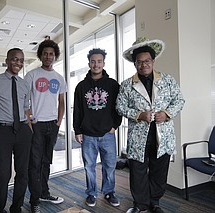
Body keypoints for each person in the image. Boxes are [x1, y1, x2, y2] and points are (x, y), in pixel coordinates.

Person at [116, 37, 185, 213]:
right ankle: (140, 204)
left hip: (162, 136)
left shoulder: (168, 80)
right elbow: (120, 106)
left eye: (147, 61)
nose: (143, 65)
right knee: (138, 172)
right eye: (139, 62)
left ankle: (155, 202)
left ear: (153, 61)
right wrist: (139, 115)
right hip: (139, 136)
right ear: (135, 64)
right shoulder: (127, 85)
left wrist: (167, 114)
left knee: (159, 171)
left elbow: (179, 100)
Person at [0, 48, 33, 213]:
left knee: (23, 173)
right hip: (3, 132)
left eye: (20, 60)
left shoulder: (25, 84)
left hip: (23, 131)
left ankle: (16, 208)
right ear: (7, 60)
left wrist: (29, 129)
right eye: (14, 59)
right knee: (3, 174)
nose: (17, 63)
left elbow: (26, 109)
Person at [73, 48, 122, 208]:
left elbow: (119, 107)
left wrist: (115, 125)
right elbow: (78, 110)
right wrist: (78, 130)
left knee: (109, 166)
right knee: (89, 167)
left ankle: (109, 192)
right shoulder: (81, 86)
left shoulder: (113, 85)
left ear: (103, 63)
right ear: (89, 63)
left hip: (108, 133)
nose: (96, 64)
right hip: (88, 134)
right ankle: (91, 193)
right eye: (93, 61)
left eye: (99, 61)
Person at [24, 39, 67, 213]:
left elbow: (61, 101)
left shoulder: (59, 78)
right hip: (37, 124)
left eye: (51, 54)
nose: (48, 56)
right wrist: (29, 118)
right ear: (40, 56)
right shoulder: (32, 75)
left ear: (55, 56)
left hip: (53, 125)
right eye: (45, 54)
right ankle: (34, 200)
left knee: (46, 162)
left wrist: (59, 120)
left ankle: (44, 192)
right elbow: (23, 100)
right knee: (35, 163)